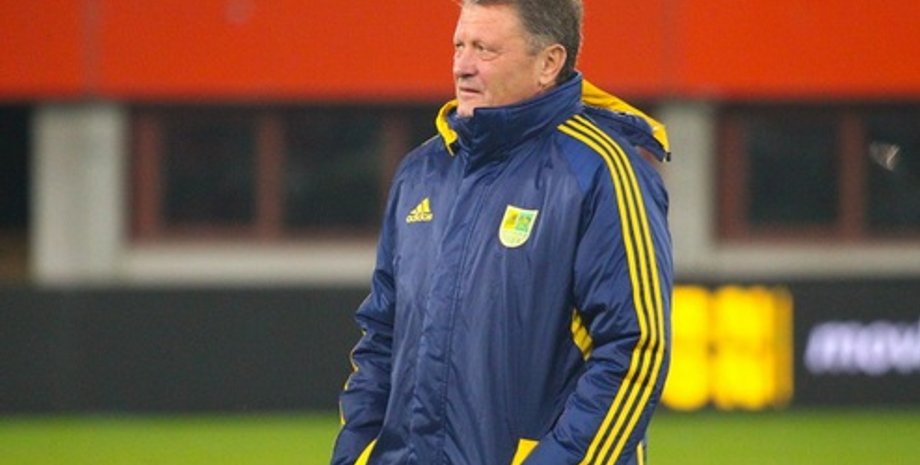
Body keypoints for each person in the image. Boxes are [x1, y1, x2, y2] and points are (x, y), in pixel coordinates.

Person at [331, 0, 673, 464]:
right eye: (459, 46)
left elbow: (635, 351)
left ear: (548, 63)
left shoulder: (603, 173)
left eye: (485, 49)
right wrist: (357, 454)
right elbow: (381, 337)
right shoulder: (421, 171)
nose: (462, 66)